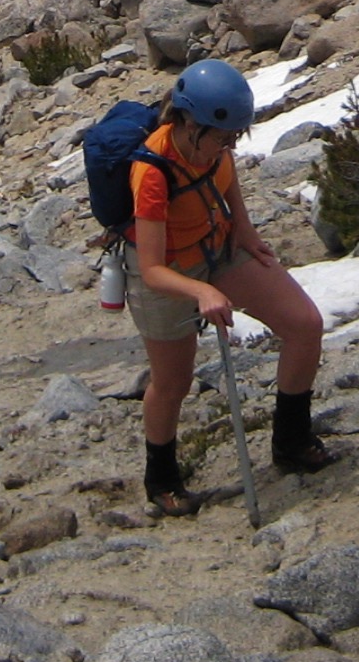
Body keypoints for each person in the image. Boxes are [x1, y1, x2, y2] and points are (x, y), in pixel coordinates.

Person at [127, 58, 334, 516]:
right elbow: (151, 267)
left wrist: (244, 230)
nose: (228, 146)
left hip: (218, 247)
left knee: (304, 324)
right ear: (186, 120)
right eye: (222, 137)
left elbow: (226, 178)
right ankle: (160, 478)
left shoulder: (214, 144)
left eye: (234, 138)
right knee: (173, 381)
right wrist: (201, 293)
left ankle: (292, 442)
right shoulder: (152, 172)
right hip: (168, 274)